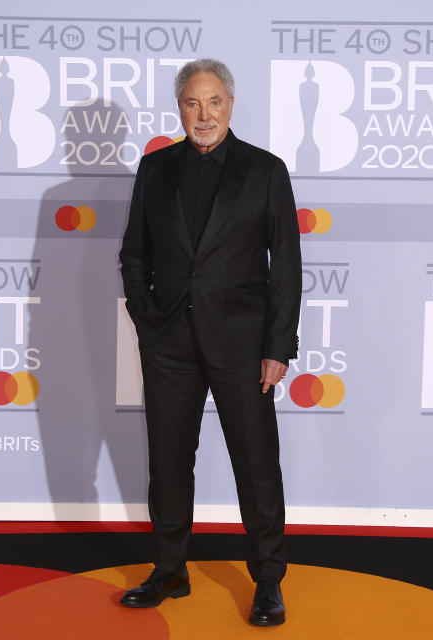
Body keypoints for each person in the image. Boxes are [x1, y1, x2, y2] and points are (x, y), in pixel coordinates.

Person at [118, 58, 302, 627]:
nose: (205, 114)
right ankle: (170, 569)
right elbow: (134, 252)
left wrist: (277, 348)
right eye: (193, 103)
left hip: (244, 346)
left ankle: (268, 580)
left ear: (230, 104)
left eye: (214, 101)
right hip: (169, 341)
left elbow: (286, 269)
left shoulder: (266, 171)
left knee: (256, 465)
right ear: (180, 108)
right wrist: (146, 315)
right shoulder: (155, 169)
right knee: (169, 462)